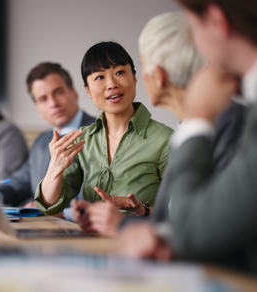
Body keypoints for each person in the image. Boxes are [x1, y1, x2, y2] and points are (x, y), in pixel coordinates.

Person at [72, 12, 245, 237]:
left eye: (140, 66)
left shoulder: (219, 126)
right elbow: (173, 217)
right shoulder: (186, 130)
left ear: (158, 76)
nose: (113, 84)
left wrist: (123, 225)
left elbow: (207, 225)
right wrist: (139, 212)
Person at [119, 0, 257, 273]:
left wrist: (199, 118)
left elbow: (193, 227)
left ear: (217, 21)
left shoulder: (227, 119)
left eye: (194, 28)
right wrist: (163, 236)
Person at [35, 42, 173, 220]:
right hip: (92, 243)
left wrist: (142, 210)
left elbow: (183, 211)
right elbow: (50, 206)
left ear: (135, 78)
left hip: (141, 243)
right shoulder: (83, 139)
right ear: (87, 90)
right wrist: (55, 168)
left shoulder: (165, 139)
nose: (112, 84)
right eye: (99, 77)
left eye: (120, 72)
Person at [0, 63, 96, 219]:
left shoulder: (100, 131)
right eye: (43, 99)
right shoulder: (41, 142)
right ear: (38, 109)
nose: (53, 103)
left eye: (58, 93)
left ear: (74, 93)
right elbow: (19, 183)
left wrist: (56, 211)